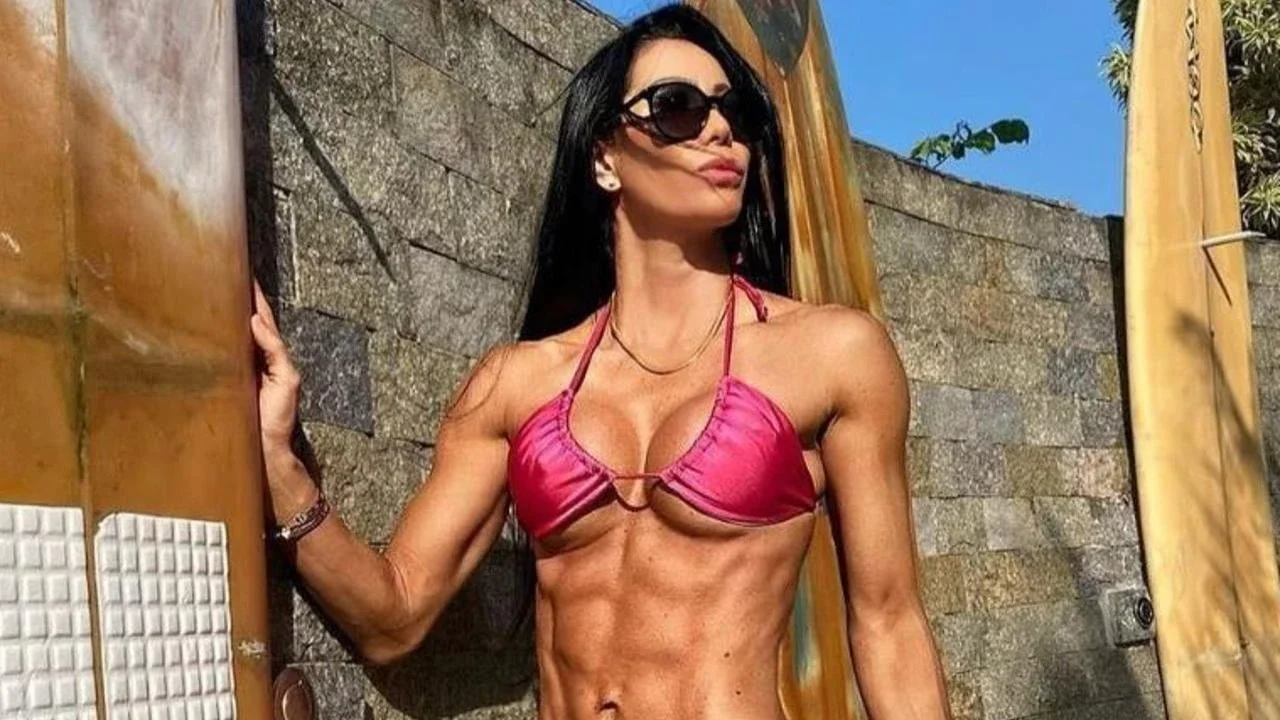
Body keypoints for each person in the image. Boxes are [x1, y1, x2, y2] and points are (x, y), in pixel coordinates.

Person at [250, 5, 951, 718]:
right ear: (606, 158)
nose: (720, 130)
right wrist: (279, 466)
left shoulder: (831, 354)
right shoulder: (516, 383)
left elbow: (890, 625)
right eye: (678, 107)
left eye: (734, 111)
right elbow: (393, 617)